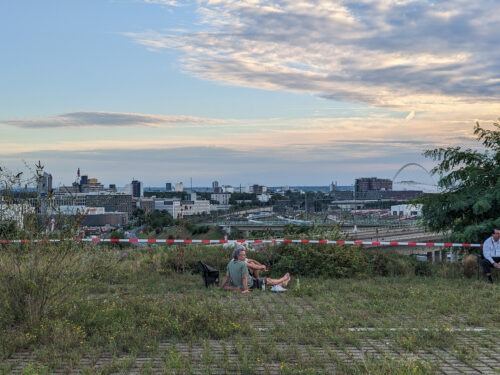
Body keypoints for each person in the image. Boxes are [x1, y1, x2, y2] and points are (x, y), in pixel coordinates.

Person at [221, 246, 290, 293]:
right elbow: (244, 278)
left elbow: (227, 277)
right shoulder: (243, 264)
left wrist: (222, 286)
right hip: (250, 284)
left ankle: (282, 283)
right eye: (244, 255)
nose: (245, 256)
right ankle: (283, 279)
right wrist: (245, 289)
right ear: (238, 256)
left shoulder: (230, 263)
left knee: (267, 282)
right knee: (268, 280)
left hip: (238, 284)